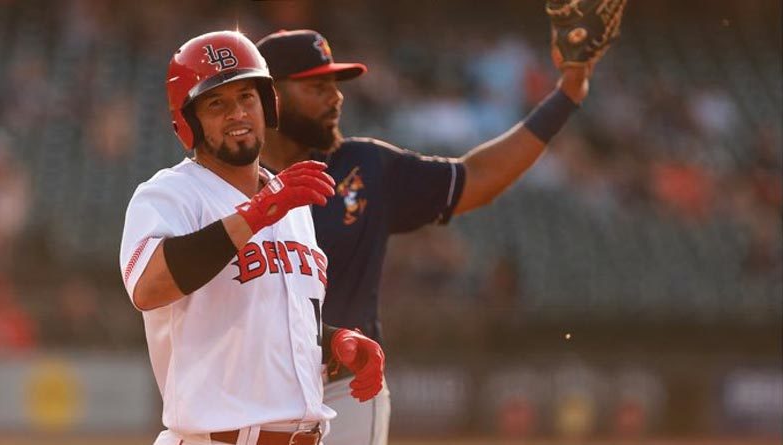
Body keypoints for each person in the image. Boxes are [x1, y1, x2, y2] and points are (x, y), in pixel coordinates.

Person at [257, 25, 604, 445]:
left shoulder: (364, 166)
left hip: (343, 390)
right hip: (252, 391)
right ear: (270, 96)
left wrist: (565, 97)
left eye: (336, 84)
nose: (336, 97)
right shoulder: (228, 184)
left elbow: (479, 176)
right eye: (316, 86)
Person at [119, 30, 384, 445]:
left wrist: (337, 343)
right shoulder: (169, 193)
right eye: (216, 103)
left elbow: (274, 320)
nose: (237, 113)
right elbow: (148, 288)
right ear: (187, 122)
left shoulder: (289, 200)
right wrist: (257, 214)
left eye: (247, 97)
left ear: (268, 105)